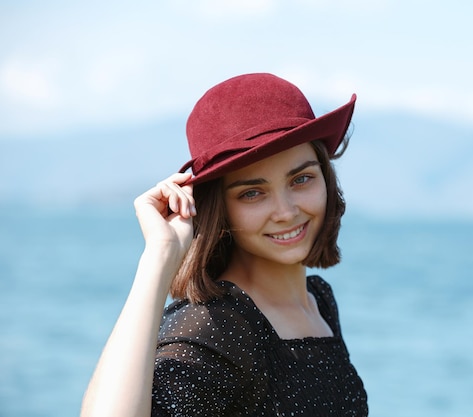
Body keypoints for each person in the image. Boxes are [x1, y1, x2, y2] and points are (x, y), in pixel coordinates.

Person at [81, 73, 368, 416]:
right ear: (219, 207)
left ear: (325, 177)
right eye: (252, 193)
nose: (286, 211)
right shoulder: (217, 327)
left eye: (301, 178)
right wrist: (159, 257)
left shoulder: (318, 301)